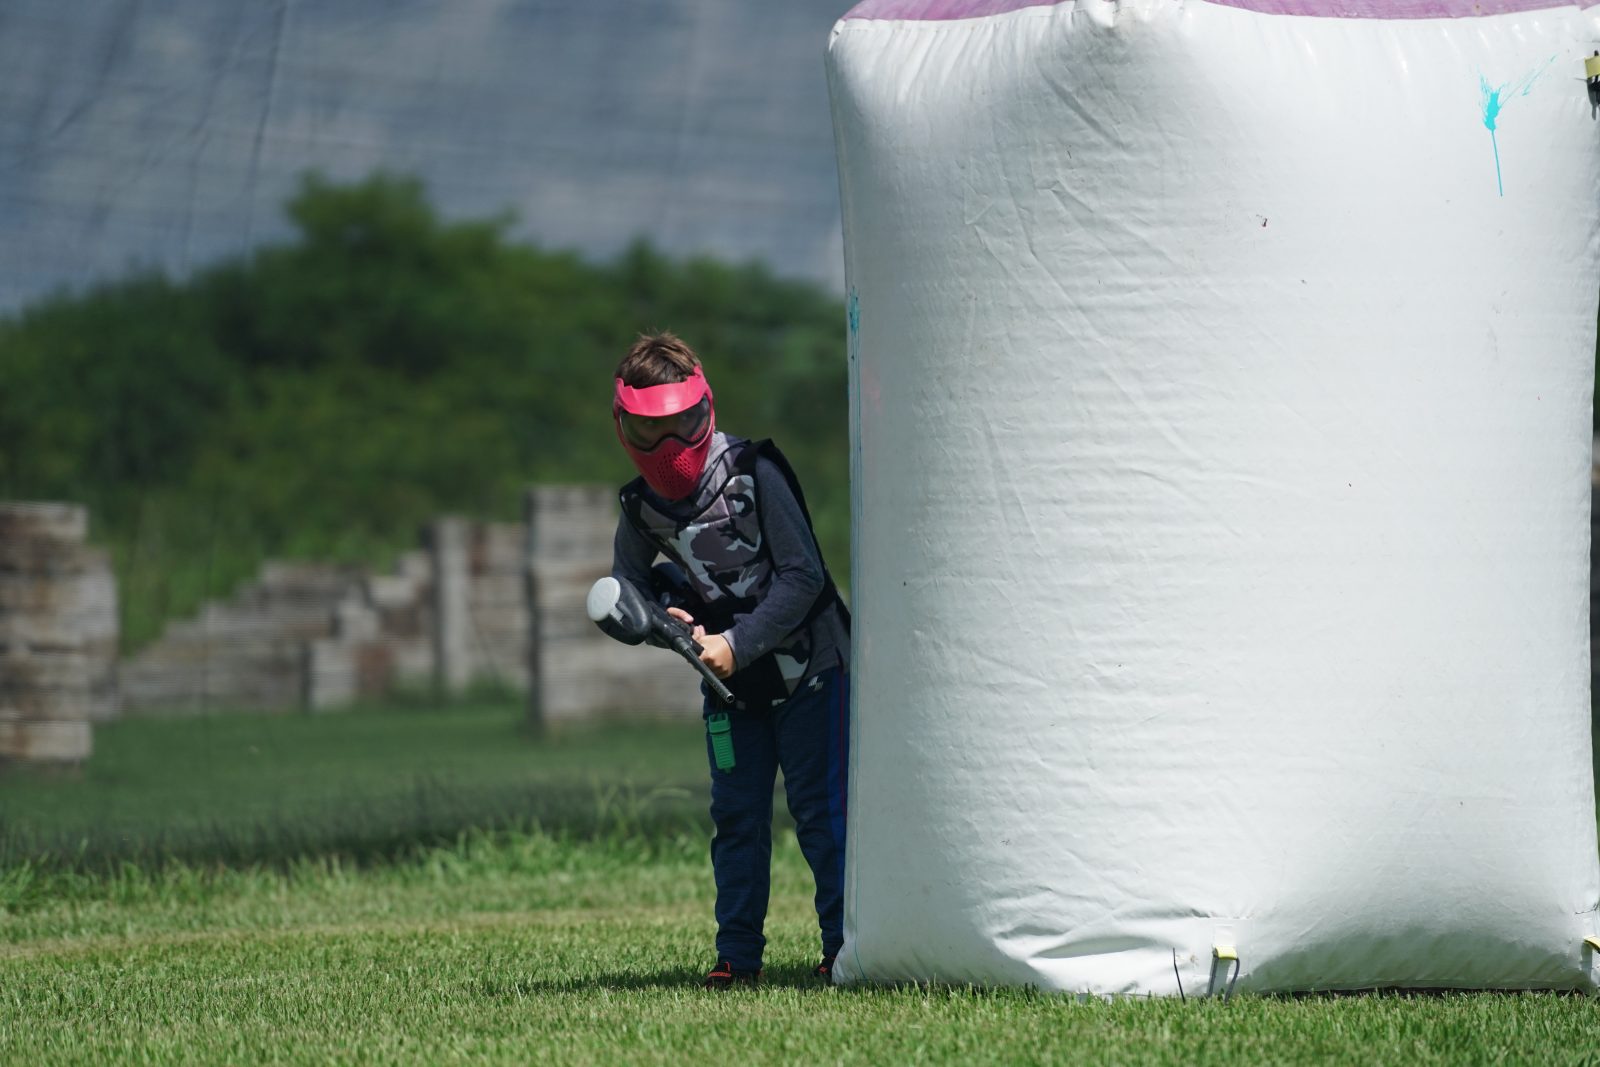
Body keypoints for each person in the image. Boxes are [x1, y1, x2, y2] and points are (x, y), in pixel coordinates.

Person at [608, 331, 851, 990]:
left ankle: (843, 946)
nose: (669, 446)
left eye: (682, 424)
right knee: (738, 817)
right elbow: (627, 588)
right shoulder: (639, 507)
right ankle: (737, 955)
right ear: (623, 424)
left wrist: (736, 642)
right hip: (728, 687)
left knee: (822, 814)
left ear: (705, 408)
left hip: (813, 673)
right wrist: (665, 621)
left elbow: (804, 577)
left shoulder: (754, 471)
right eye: (648, 429)